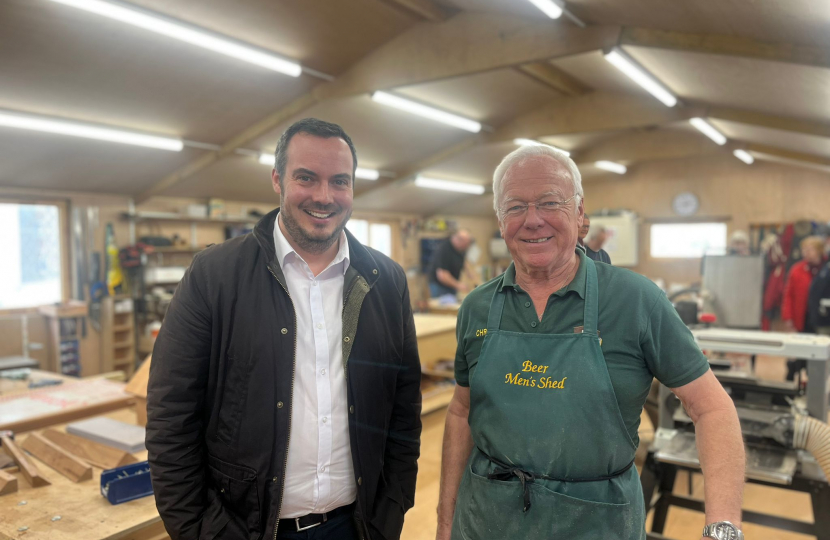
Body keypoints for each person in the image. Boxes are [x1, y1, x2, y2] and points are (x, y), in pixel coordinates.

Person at [436, 145, 745, 540]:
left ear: (580, 214)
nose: (532, 220)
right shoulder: (477, 306)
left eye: (550, 202)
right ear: (500, 220)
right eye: (515, 207)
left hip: (597, 523)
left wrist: (722, 528)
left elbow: (713, 408)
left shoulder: (636, 300)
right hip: (487, 521)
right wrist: (446, 523)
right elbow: (461, 413)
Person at [146, 118, 422, 540]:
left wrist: (393, 507)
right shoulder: (214, 275)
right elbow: (171, 415)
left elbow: (404, 409)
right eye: (306, 178)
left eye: (340, 181)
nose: (324, 196)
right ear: (277, 179)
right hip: (246, 529)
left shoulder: (386, 281)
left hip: (359, 525)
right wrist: (198, 529)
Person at [782, 235, 828, 380]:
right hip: (801, 318)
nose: (805, 252)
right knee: (797, 357)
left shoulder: (826, 269)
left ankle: (815, 387)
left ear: (819, 251)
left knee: (818, 357)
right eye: (804, 249)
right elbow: (788, 295)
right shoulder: (797, 269)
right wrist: (788, 318)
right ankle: (789, 388)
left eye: (809, 249)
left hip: (822, 320)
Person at [426, 229, 477, 298]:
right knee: (443, 307)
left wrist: (469, 273)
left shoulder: (460, 249)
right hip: (440, 286)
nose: (466, 247)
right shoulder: (444, 249)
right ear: (459, 240)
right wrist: (459, 285)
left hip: (451, 286)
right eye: (466, 244)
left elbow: (462, 260)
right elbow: (442, 275)